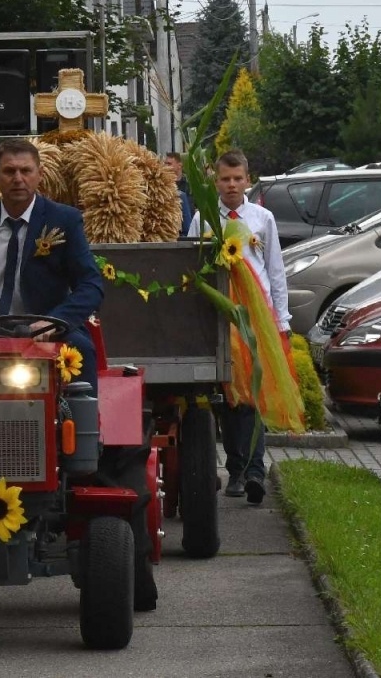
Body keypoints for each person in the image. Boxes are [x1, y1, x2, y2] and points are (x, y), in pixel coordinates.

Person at [0, 139, 102, 390]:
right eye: (9, 171)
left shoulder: (64, 220)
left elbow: (91, 284)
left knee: (82, 351)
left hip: (49, 328)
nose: (17, 178)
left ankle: (80, 428)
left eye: (26, 171)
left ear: (40, 175)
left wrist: (55, 320)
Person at [185, 150, 289, 506]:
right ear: (215, 181)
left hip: (253, 317)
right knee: (229, 400)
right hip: (219, 318)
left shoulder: (263, 219)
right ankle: (236, 467)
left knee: (251, 395)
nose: (231, 185)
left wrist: (281, 319)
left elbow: (275, 270)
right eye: (225, 179)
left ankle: (255, 471)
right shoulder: (203, 219)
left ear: (248, 179)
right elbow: (191, 269)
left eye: (237, 178)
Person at [164, 151, 194, 234]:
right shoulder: (163, 185)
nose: (166, 167)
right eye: (165, 164)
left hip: (188, 229)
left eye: (169, 164)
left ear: (179, 165)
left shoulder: (190, 185)